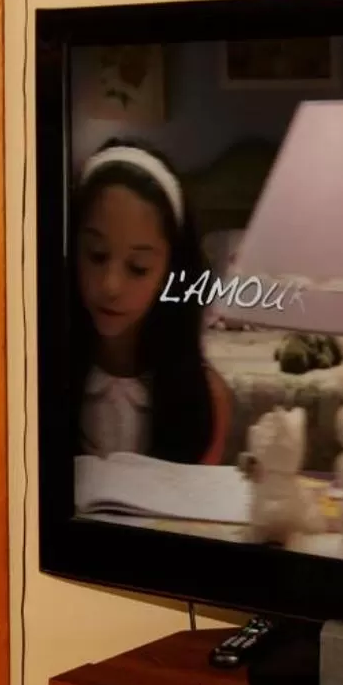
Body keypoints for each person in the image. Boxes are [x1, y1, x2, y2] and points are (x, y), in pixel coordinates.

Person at [70, 140, 232, 464]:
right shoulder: (32, 376)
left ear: (171, 270)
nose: (111, 285)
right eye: (97, 255)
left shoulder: (204, 399)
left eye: (138, 268)